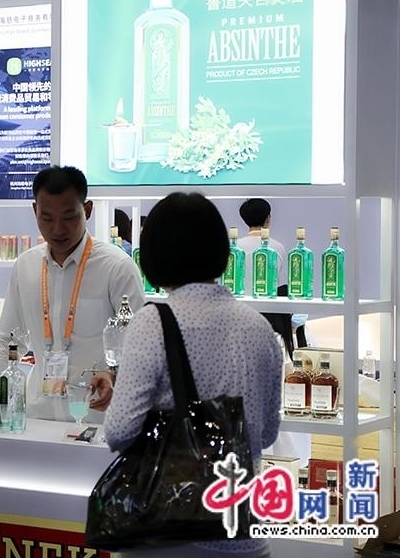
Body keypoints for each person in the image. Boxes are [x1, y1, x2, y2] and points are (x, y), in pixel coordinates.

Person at [92, 192, 281, 558]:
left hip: (168, 534)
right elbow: (267, 432)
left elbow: (118, 432)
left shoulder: (152, 323)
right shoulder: (259, 327)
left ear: (154, 255)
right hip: (243, 534)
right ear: (220, 251)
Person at [0, 166, 145, 421]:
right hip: (38, 417)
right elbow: (9, 342)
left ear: (87, 210)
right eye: (47, 218)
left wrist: (113, 375)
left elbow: (139, 345)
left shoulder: (117, 267)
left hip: (97, 419)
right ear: (35, 211)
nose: (58, 229)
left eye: (69, 217)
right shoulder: (26, 266)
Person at [236, 197, 295, 356]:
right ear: (268, 218)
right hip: (269, 318)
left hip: (237, 314)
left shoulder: (233, 247)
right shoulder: (277, 247)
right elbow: (280, 285)